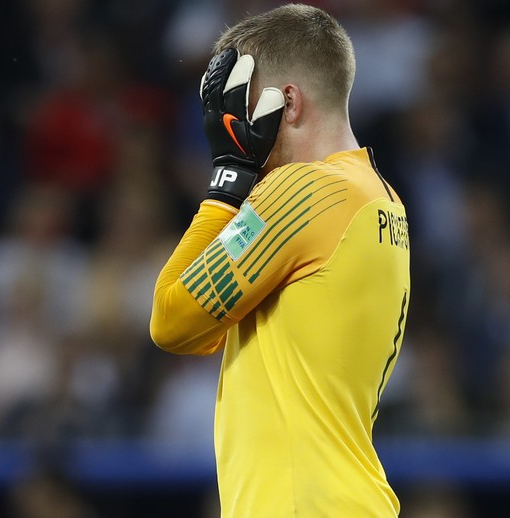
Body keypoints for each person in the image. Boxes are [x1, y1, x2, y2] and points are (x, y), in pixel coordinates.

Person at [149, 4, 410, 517]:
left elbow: (171, 318)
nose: (235, 126)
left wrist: (228, 182)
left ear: (287, 103)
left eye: (241, 105)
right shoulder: (383, 200)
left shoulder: (304, 190)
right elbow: (211, 333)